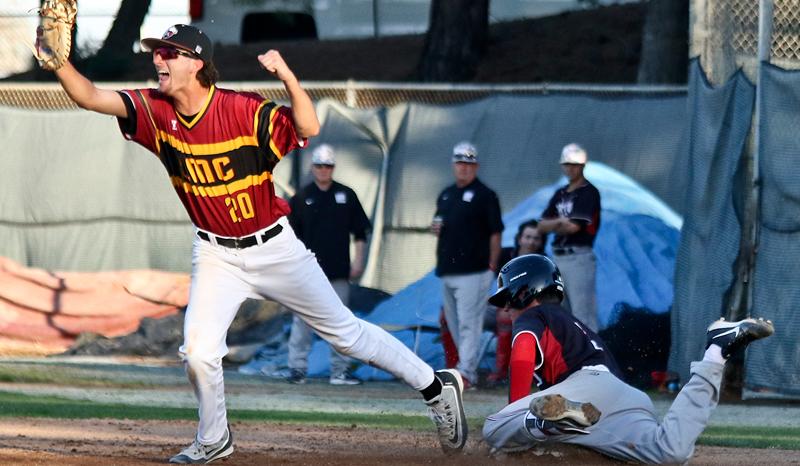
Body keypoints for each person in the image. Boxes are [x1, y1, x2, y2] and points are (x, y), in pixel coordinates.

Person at [46, 24, 467, 463]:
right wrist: (59, 62)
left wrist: (287, 78)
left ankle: (435, 386)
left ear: (195, 62)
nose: (158, 60)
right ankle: (214, 438)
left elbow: (308, 124)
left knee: (345, 334)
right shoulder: (154, 110)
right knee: (198, 351)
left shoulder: (241, 109)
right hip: (215, 253)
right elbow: (90, 96)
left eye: (168, 54)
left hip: (274, 248)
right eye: (156, 53)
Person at [482, 254, 775, 463]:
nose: (505, 310)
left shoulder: (533, 316)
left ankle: (551, 424)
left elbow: (522, 353)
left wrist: (513, 414)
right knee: (668, 451)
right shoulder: (576, 325)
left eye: (506, 299)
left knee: (494, 427)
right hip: (624, 396)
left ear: (524, 293)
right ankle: (715, 354)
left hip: (584, 386)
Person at [284, 144, 370, 386]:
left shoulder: (347, 195)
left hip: (338, 270)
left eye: (328, 165)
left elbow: (360, 231)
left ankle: (339, 371)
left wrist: (359, 260)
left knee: (341, 322)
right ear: (313, 167)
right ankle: (297, 369)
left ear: (333, 168)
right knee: (302, 321)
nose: (323, 170)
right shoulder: (301, 197)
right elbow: (289, 238)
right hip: (308, 273)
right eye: (319, 165)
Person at [431, 141, 504, 389]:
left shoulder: (485, 195)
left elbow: (496, 232)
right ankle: (465, 367)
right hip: (449, 269)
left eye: (469, 164)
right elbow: (439, 223)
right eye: (460, 163)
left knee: (468, 322)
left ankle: (467, 372)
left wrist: (492, 264)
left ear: (476, 166)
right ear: (454, 165)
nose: (464, 168)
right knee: (453, 323)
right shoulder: (446, 193)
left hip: (475, 269)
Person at [537, 143, 601, 331]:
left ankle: (592, 357)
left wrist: (554, 224)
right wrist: (560, 222)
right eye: (567, 164)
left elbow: (573, 227)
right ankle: (569, 357)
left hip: (578, 256)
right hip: (558, 257)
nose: (570, 168)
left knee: (583, 314)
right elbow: (541, 225)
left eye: (575, 164)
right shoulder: (560, 193)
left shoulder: (589, 192)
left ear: (582, 165)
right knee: (562, 313)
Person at [485, 219, 546, 386]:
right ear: (520, 238)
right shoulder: (505, 255)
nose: (531, 242)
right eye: (528, 237)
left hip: (528, 311)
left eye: (536, 238)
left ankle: (504, 371)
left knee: (506, 318)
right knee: (454, 315)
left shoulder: (543, 263)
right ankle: (457, 371)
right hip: (500, 307)